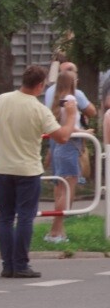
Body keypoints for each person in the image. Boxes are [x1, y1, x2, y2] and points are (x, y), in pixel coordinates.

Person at [0, 65, 77, 279]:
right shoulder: (39, 109)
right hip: (28, 169)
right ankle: (21, 263)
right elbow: (62, 137)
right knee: (25, 217)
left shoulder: (2, 100)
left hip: (3, 168)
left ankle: (8, 264)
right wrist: (70, 116)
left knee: (5, 217)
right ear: (40, 85)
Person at [45, 70, 94, 243]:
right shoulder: (71, 99)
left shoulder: (59, 99)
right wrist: (85, 131)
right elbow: (71, 126)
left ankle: (58, 231)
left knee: (60, 189)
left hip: (59, 147)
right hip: (69, 147)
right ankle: (55, 232)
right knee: (67, 190)